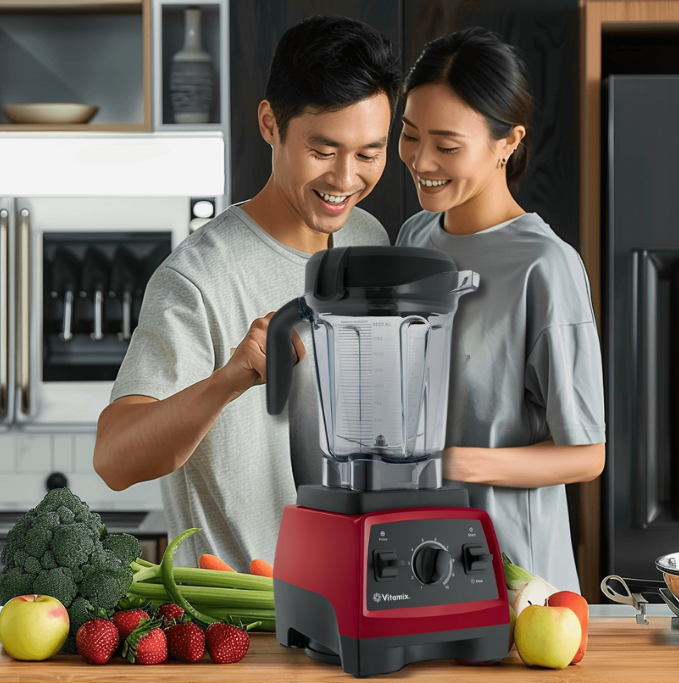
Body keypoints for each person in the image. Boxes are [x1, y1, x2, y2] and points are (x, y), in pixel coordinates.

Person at [94, 15, 400, 568]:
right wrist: (232, 378)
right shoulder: (197, 278)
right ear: (270, 124)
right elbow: (114, 460)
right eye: (324, 150)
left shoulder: (368, 238)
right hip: (243, 624)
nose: (345, 178)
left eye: (369, 153)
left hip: (351, 593)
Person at [396, 27, 605, 592]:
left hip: (516, 577)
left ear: (507, 143)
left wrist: (460, 464)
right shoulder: (414, 237)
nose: (421, 160)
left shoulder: (547, 266)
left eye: (446, 144)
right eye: (410, 136)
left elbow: (586, 454)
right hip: (419, 551)